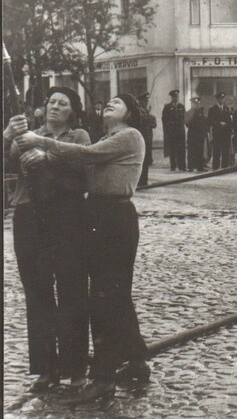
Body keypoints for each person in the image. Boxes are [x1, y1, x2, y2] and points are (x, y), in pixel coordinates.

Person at [15, 93, 150, 403]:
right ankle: (138, 360)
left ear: (130, 113)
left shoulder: (129, 135)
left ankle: (103, 378)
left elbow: (85, 155)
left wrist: (42, 142)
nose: (109, 103)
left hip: (115, 215)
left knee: (105, 296)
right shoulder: (109, 135)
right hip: (97, 215)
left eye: (117, 102)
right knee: (114, 294)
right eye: (108, 100)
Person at [4, 87, 90, 392]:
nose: (55, 106)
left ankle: (76, 369)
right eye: (51, 101)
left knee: (71, 288)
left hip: (66, 215)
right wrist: (7, 137)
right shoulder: (25, 135)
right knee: (38, 292)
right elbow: (7, 162)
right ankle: (46, 368)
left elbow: (83, 168)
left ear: (73, 110)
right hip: (29, 215)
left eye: (63, 103)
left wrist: (47, 155)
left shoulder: (79, 136)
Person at [161, 89, 186, 171]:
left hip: (180, 131)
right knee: (173, 149)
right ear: (171, 97)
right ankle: (173, 166)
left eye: (177, 96)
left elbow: (184, 118)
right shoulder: (167, 107)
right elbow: (164, 120)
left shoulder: (181, 106)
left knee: (181, 148)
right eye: (174, 96)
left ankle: (182, 166)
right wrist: (167, 130)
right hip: (172, 132)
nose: (176, 98)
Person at [208, 92, 232, 170]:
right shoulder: (212, 109)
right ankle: (215, 166)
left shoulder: (226, 108)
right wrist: (219, 123)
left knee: (225, 150)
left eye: (223, 98)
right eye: (220, 98)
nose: (222, 100)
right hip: (217, 132)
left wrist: (228, 127)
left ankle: (224, 166)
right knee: (216, 150)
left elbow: (229, 121)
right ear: (217, 99)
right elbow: (210, 121)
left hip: (225, 133)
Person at [136, 93, 157, 187]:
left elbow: (152, 122)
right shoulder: (137, 112)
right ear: (140, 102)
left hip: (147, 139)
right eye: (144, 101)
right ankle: (140, 181)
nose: (146, 103)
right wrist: (147, 114)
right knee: (141, 160)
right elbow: (141, 123)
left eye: (147, 101)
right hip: (141, 138)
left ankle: (144, 180)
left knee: (146, 161)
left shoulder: (146, 112)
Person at [185, 97, 209, 171]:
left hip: (200, 135)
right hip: (192, 135)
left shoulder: (201, 112)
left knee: (200, 151)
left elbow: (204, 123)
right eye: (195, 104)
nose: (197, 105)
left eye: (198, 104)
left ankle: (200, 166)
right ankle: (191, 166)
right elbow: (187, 124)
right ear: (192, 104)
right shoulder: (188, 112)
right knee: (191, 150)